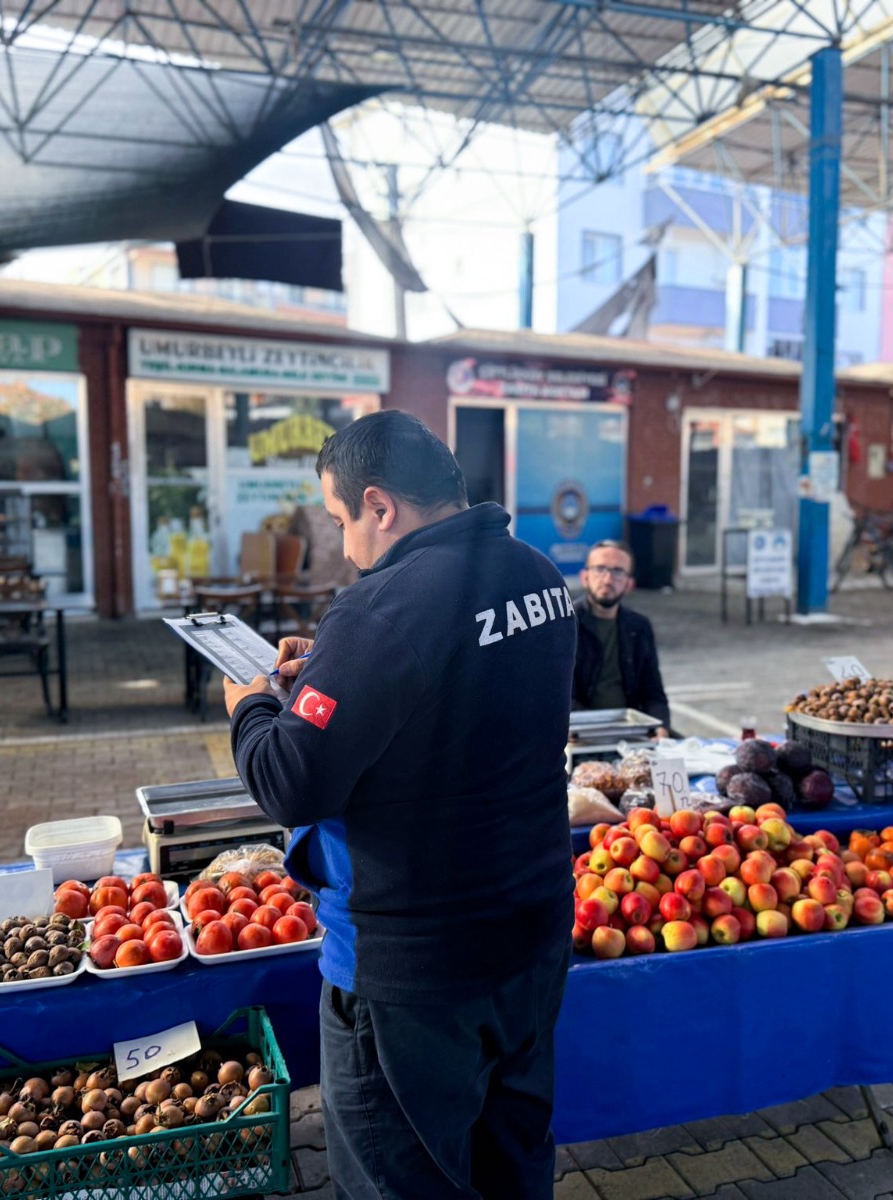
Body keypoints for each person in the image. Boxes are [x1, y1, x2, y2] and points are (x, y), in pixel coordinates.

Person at [224, 411, 576, 1199]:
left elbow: (290, 782)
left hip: (415, 973)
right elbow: (463, 701)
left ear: (380, 505)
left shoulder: (382, 607)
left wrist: (250, 705)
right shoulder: (538, 577)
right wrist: (337, 679)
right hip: (531, 935)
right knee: (513, 1161)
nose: (346, 546)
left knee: (401, 1179)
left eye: (343, 520)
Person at [571, 539, 671, 733]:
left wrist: (661, 729)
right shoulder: (566, 624)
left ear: (629, 583)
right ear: (585, 577)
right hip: (579, 733)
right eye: (600, 569)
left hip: (632, 732)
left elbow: (653, 693)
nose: (608, 580)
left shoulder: (639, 627)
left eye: (617, 572)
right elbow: (560, 698)